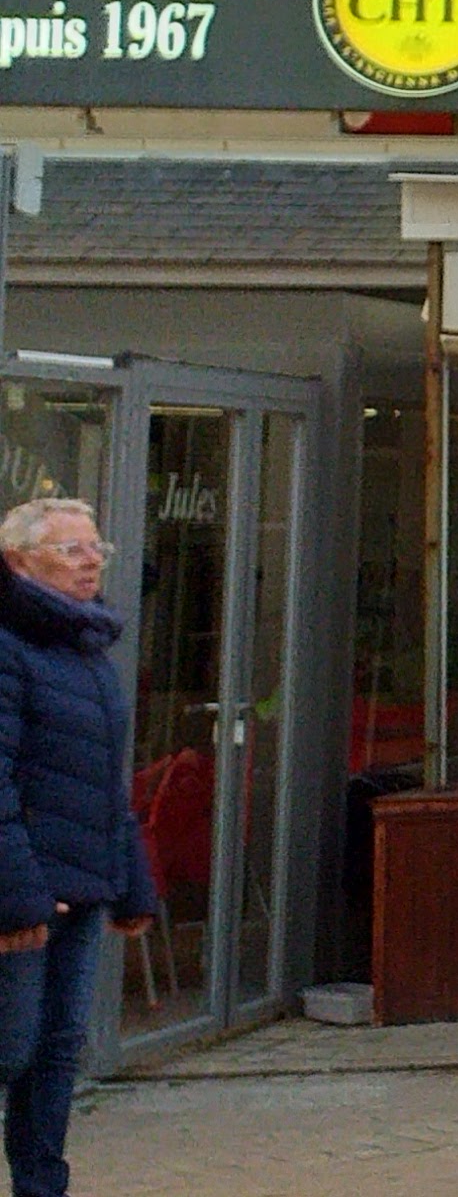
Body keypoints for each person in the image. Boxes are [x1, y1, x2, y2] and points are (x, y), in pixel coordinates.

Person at [0, 498, 156, 1194]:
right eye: (71, 550)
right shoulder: (7, 645)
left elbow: (103, 781)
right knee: (11, 1049)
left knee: (57, 1052)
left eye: (97, 548)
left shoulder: (86, 649)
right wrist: (17, 898)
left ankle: (43, 1187)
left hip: (81, 889)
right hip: (23, 896)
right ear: (18, 562)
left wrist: (132, 882)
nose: (91, 562)